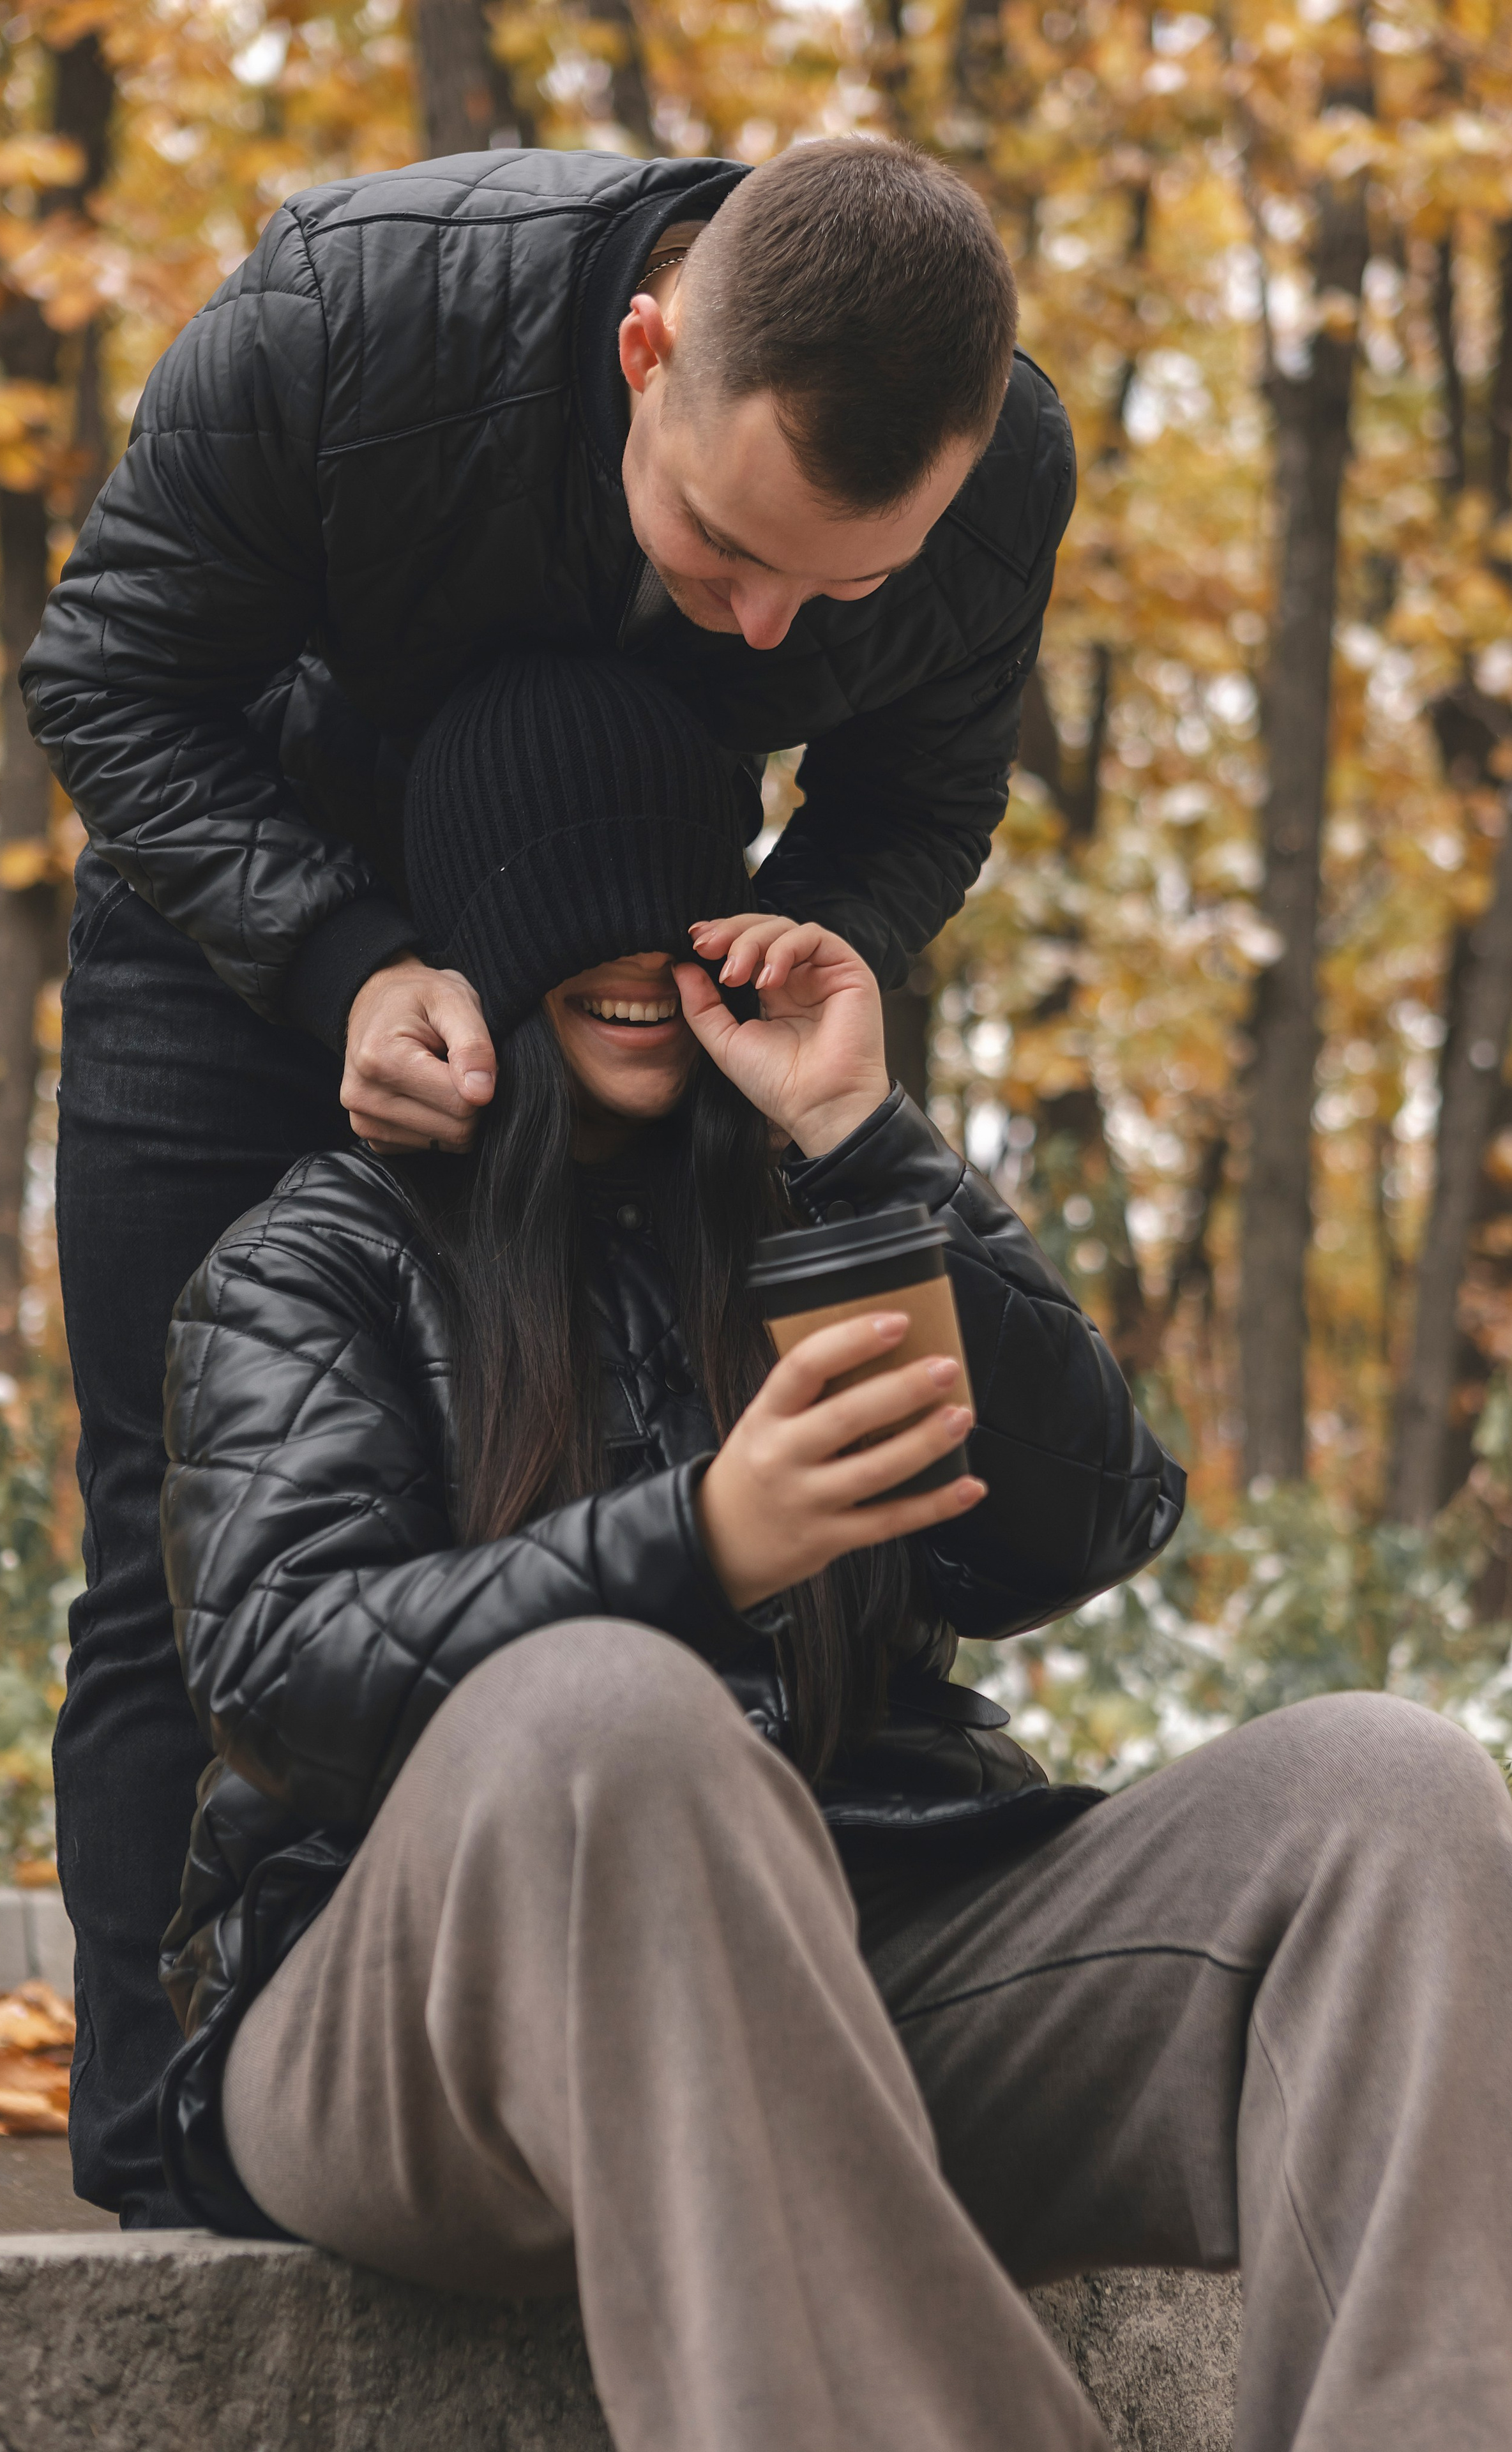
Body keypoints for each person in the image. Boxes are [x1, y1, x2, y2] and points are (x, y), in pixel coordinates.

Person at [159, 655, 1512, 2452]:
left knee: (1395, 1792)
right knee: (608, 1714)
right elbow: (281, 1673)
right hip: (406, 2033)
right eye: (579, 904)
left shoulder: (806, 1209)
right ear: (484, 938)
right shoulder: (317, 1260)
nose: (639, 950)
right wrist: (701, 1541)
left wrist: (863, 1140)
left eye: (677, 901)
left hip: (866, 1984)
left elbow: (1088, 1518)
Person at [27, 133, 1074, 2222]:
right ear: (643, 351)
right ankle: (159, 2186)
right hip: (247, 912)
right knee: (178, 1523)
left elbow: (915, 801)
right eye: (726, 546)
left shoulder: (997, 472)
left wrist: (790, 969)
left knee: (636, 1431)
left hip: (641, 919)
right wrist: (343, 956)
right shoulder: (354, 316)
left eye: (840, 591)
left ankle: (613, 2054)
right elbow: (113, 676)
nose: (763, 627)